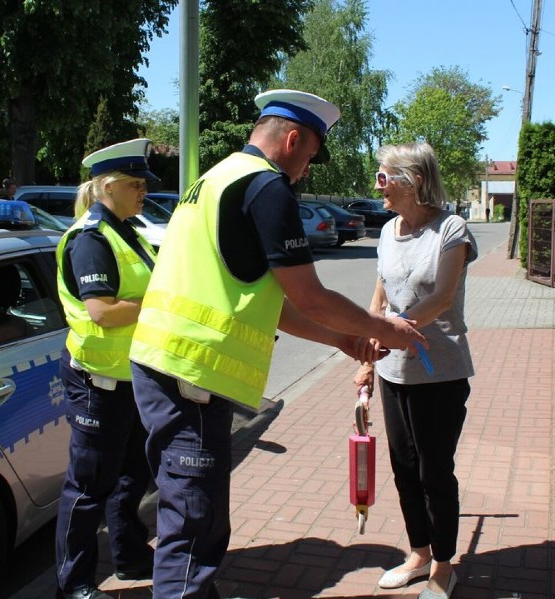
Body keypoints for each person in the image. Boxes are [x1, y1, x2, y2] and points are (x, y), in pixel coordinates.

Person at [128, 89, 427, 599]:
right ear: (291, 139)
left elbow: (275, 303)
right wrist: (383, 330)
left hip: (167, 367)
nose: (306, 172)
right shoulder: (266, 188)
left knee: (198, 518)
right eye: (309, 157)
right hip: (191, 376)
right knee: (192, 530)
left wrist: (343, 340)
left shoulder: (214, 179)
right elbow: (310, 295)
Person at [354, 142, 477, 599]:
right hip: (394, 371)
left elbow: (442, 297)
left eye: (384, 177)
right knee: (403, 466)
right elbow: (378, 300)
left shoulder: (451, 229)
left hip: (440, 373)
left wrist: (391, 331)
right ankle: (419, 552)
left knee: (434, 471)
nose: (377, 186)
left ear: (414, 180)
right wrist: (368, 358)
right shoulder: (387, 232)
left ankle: (444, 564)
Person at [54, 138, 159, 599]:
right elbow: (101, 311)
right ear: (108, 187)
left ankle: (131, 555)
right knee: (87, 489)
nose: (144, 192)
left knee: (132, 476)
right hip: (98, 382)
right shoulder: (91, 239)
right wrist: (155, 304)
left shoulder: (125, 230)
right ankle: (73, 584)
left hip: (129, 378)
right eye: (136, 184)